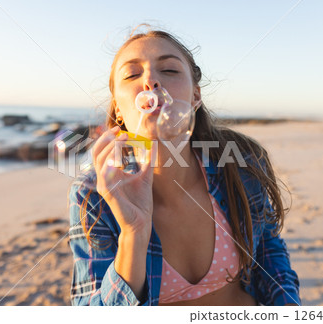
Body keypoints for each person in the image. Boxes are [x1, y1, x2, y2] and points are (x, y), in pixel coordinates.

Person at [68, 27, 300, 306]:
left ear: (195, 96)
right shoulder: (93, 194)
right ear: (118, 108)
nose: (151, 81)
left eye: (169, 70)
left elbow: (270, 255)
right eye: (132, 74)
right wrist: (134, 232)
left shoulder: (240, 163)